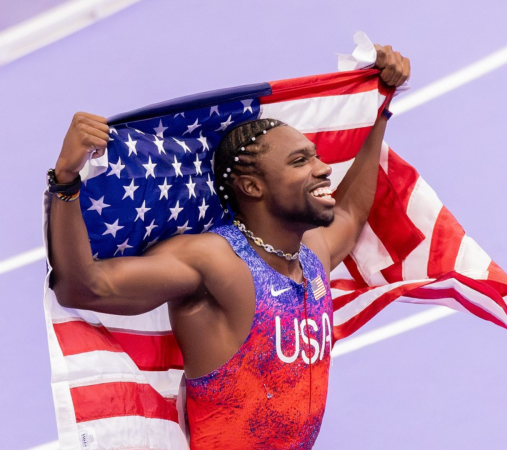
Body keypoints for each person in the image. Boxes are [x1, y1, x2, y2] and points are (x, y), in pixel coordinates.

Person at [47, 44, 410, 450]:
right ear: (252, 186)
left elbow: (352, 214)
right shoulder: (214, 262)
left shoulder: (312, 253)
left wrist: (380, 107)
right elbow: (85, 287)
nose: (323, 168)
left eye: (316, 156)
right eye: (300, 161)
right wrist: (66, 180)